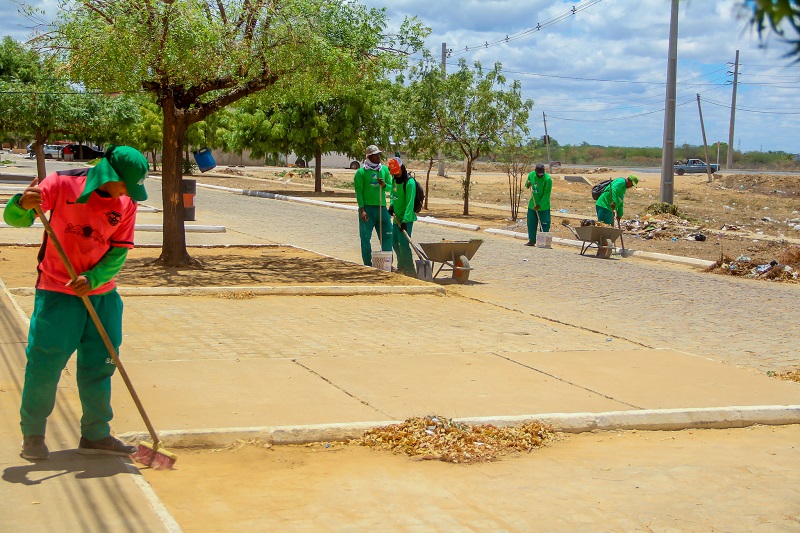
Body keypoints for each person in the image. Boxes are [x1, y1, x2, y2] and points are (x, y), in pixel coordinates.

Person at [3, 145, 150, 460]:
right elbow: (17, 219)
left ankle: (96, 435)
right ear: (109, 174)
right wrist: (19, 204)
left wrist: (94, 279)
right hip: (57, 294)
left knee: (102, 365)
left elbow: (118, 251)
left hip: (102, 297)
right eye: (125, 183)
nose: (128, 192)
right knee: (45, 365)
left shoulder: (127, 203)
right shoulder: (61, 183)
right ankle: (33, 435)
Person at [354, 144, 393, 266]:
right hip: (367, 209)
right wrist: (362, 210)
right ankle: (367, 264)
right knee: (365, 238)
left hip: (382, 209)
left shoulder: (384, 170)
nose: (378, 157)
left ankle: (387, 264)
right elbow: (358, 192)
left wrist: (384, 185)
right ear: (369, 156)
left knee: (388, 235)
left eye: (379, 155)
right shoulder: (361, 172)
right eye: (375, 155)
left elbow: (392, 189)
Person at [388, 157, 418, 276]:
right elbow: (392, 194)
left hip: (407, 219)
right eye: (394, 172)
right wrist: (391, 205)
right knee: (394, 242)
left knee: (404, 245)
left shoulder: (409, 182)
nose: (396, 173)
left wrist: (405, 220)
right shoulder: (395, 179)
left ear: (402, 167)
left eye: (397, 171)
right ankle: (401, 267)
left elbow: (410, 203)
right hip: (396, 218)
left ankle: (410, 270)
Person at [524, 163, 553, 246]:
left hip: (543, 207)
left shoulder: (548, 180)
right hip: (532, 205)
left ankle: (543, 243)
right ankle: (532, 240)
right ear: (535, 171)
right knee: (531, 223)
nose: (540, 175)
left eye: (541, 174)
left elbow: (546, 195)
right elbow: (527, 183)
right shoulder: (531, 175)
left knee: (544, 224)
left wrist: (540, 205)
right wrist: (527, 184)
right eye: (538, 174)